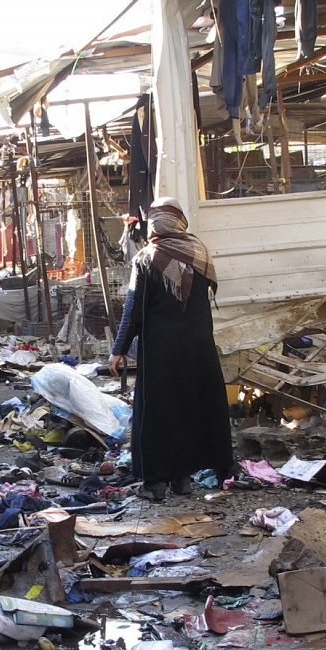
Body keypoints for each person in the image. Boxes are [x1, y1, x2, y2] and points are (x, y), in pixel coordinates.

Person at [110, 197, 233, 502]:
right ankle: (183, 479)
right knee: (189, 408)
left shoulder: (148, 257)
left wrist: (118, 348)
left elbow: (133, 308)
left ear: (154, 223)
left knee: (157, 414)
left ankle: (155, 483)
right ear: (180, 219)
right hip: (198, 347)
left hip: (161, 350)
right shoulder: (199, 253)